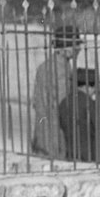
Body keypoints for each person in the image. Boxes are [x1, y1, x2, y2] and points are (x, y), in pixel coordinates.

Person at [31, 25, 82, 158]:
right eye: (76, 45)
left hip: (42, 131)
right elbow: (64, 105)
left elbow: (35, 101)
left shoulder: (45, 66)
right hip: (55, 135)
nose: (79, 49)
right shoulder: (61, 70)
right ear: (66, 47)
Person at [58, 67, 100, 163]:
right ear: (86, 86)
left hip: (71, 154)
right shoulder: (88, 102)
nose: (95, 90)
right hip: (92, 154)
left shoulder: (64, 102)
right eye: (94, 86)